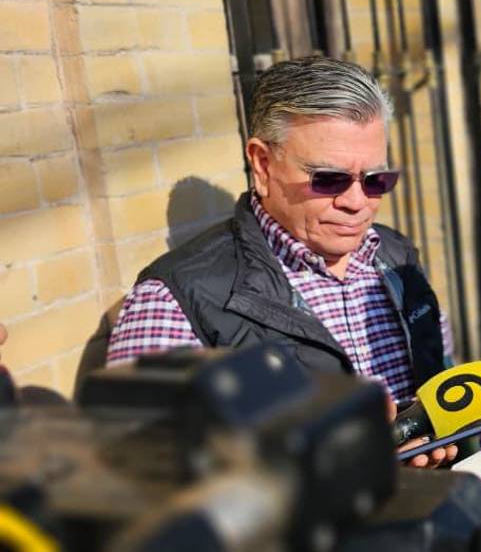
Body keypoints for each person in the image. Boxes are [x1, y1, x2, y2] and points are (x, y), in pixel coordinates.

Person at [105, 57, 457, 467]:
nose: (356, 202)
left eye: (376, 180)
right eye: (329, 179)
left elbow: (444, 374)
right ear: (262, 163)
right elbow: (138, 472)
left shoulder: (396, 257)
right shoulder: (173, 300)